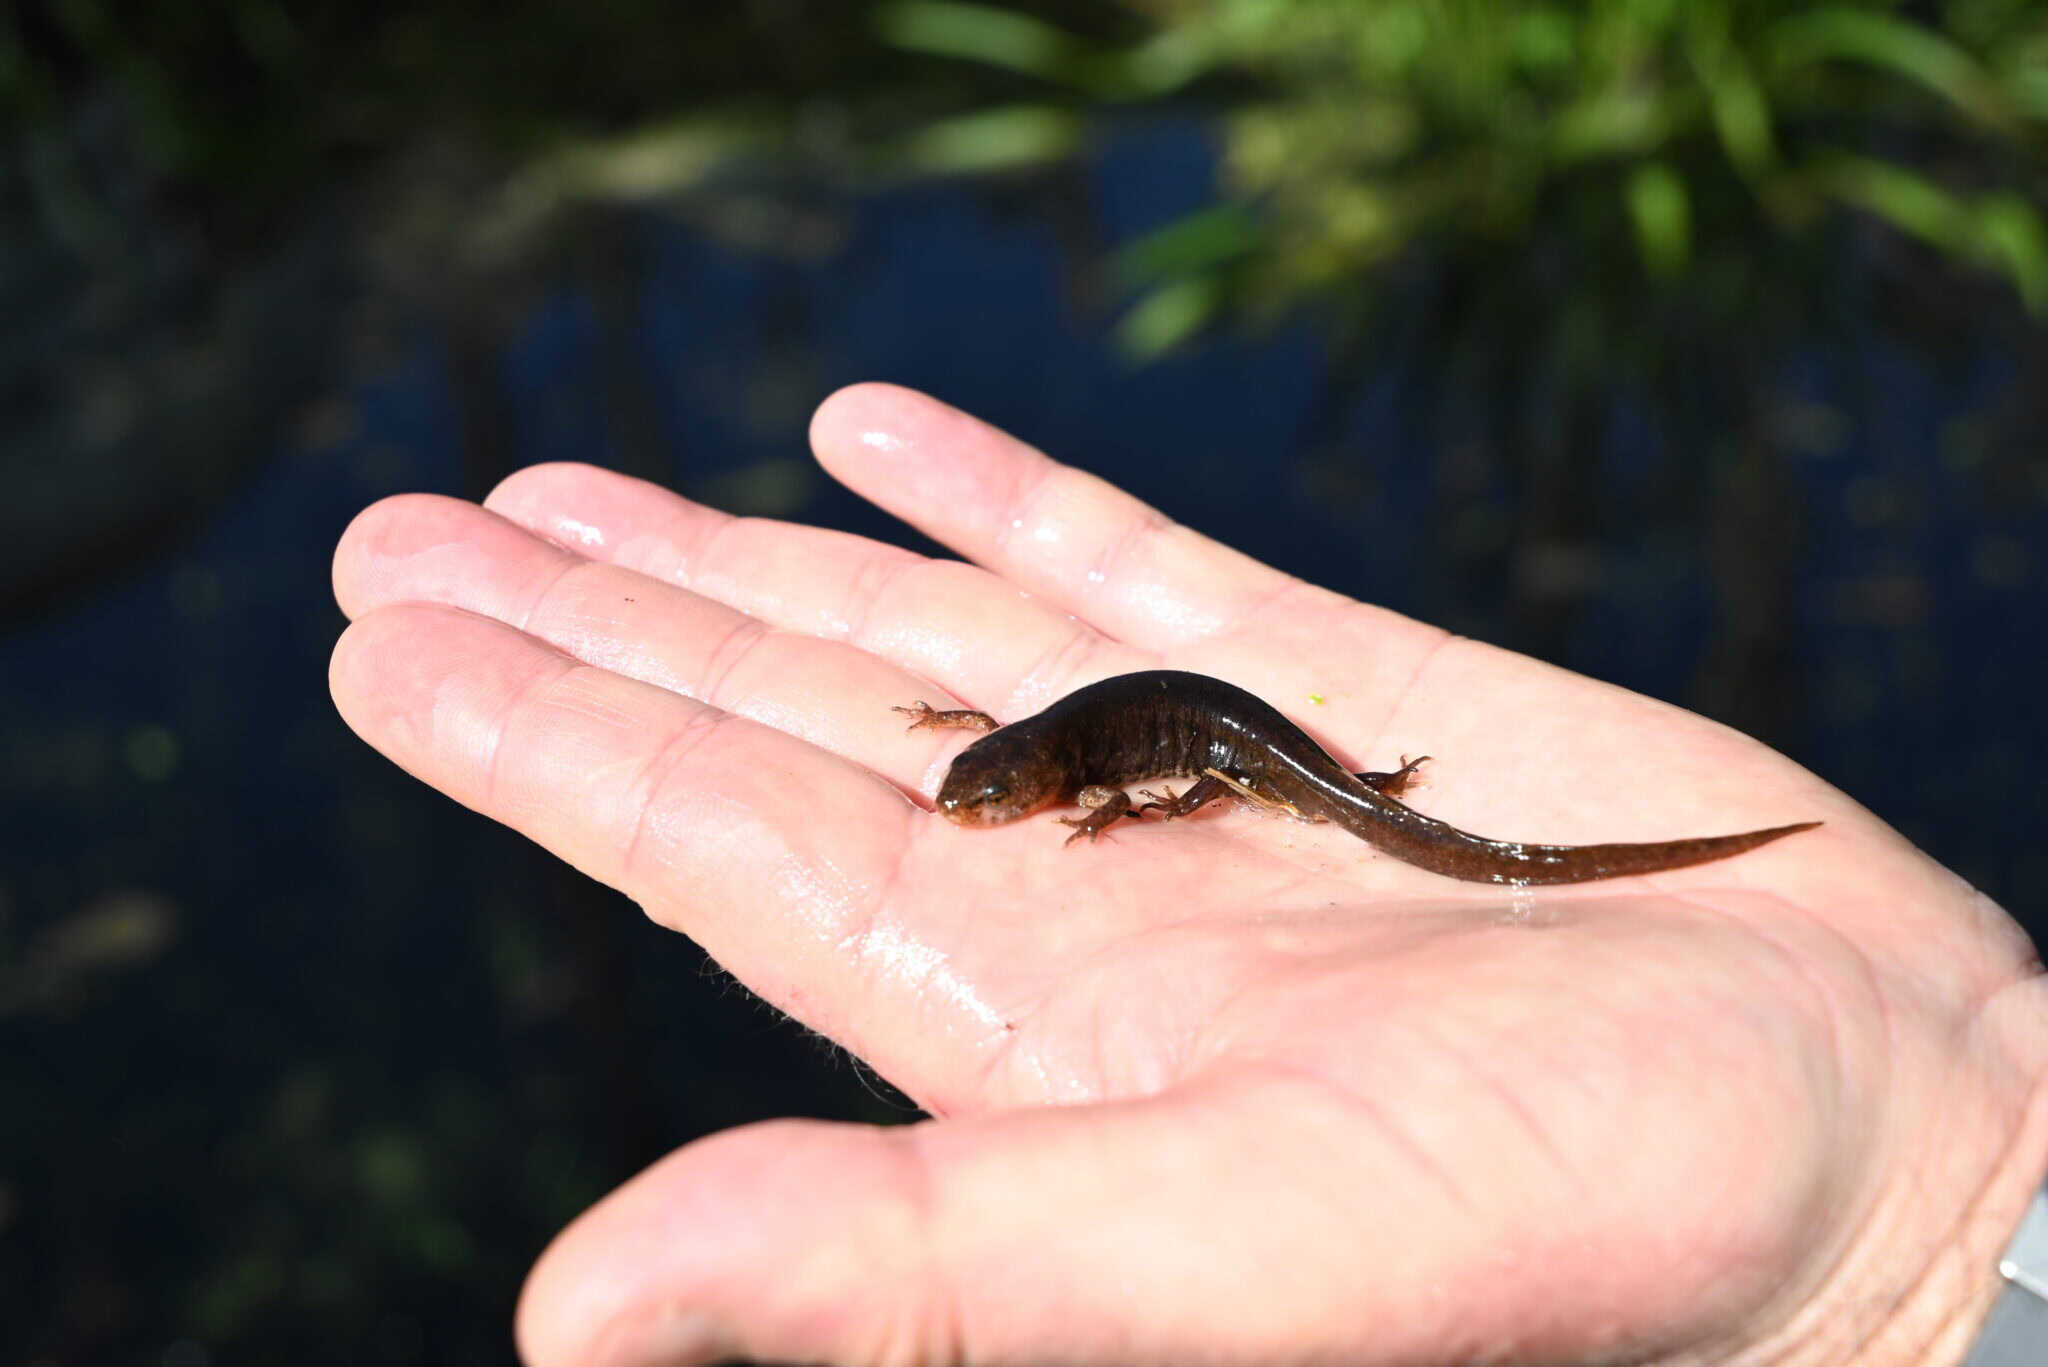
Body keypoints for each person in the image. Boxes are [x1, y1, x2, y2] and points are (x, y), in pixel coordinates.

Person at [330, 383, 2048, 1367]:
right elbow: (1032, 731)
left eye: (997, 799)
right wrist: (1963, 1200)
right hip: (1228, 736)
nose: (986, 809)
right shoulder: (1043, 741)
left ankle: (1398, 811)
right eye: (990, 796)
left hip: (1238, 741)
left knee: (1359, 809)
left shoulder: (1098, 762)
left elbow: (1159, 757)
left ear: (1041, 782)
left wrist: (1966, 1216)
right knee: (1378, 809)